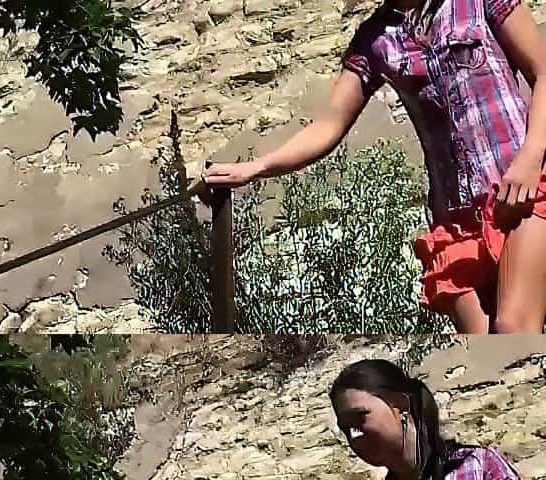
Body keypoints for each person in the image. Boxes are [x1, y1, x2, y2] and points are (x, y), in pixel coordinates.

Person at [201, 0, 546, 334]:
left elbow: (542, 71)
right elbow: (330, 124)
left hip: (523, 189)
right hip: (457, 222)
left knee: (513, 327)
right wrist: (256, 168)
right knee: (483, 342)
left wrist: (531, 157)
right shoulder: (376, 39)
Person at [329, 359, 521, 479]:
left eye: (359, 418)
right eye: (346, 428)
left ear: (401, 406)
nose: (353, 436)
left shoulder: (477, 465)